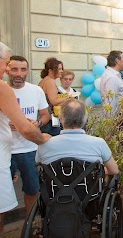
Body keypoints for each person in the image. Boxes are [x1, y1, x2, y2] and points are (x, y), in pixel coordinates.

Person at [0, 42, 50, 236]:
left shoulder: (35, 90)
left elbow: (44, 115)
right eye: (10, 67)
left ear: (27, 71)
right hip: (6, 154)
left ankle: (28, 227)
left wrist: (36, 123)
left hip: (26, 150)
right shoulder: (4, 88)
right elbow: (23, 127)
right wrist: (43, 138)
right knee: (4, 202)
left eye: (22, 69)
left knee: (31, 189)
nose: (15, 72)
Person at [36, 98, 119, 175]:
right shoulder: (99, 143)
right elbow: (114, 170)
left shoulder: (45, 144)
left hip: (55, 189)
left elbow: (39, 168)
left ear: (60, 119)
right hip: (88, 189)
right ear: (85, 119)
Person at [38, 57, 69, 136]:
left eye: (62, 68)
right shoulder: (50, 81)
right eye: (59, 69)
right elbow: (53, 101)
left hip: (44, 117)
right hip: (49, 118)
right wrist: (68, 97)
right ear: (50, 70)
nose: (61, 71)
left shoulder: (44, 80)